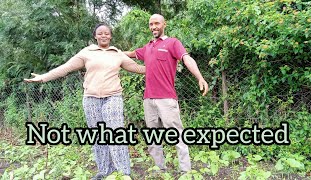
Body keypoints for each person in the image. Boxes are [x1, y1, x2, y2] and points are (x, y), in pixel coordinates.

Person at [24, 23, 145, 179]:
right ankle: (104, 171)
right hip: (91, 99)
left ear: (110, 36)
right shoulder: (87, 52)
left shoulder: (117, 54)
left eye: (107, 33)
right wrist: (44, 77)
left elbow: (140, 69)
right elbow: (65, 68)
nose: (103, 35)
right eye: (100, 33)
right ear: (95, 36)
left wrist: (163, 65)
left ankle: (123, 173)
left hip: (113, 97)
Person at [124, 14, 209, 173]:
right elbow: (130, 54)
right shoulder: (148, 47)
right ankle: (159, 171)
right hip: (148, 99)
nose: (153, 27)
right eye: (151, 24)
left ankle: (186, 172)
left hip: (167, 99)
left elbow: (187, 59)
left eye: (157, 23)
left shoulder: (172, 43)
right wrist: (111, 51)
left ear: (164, 24)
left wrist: (200, 78)